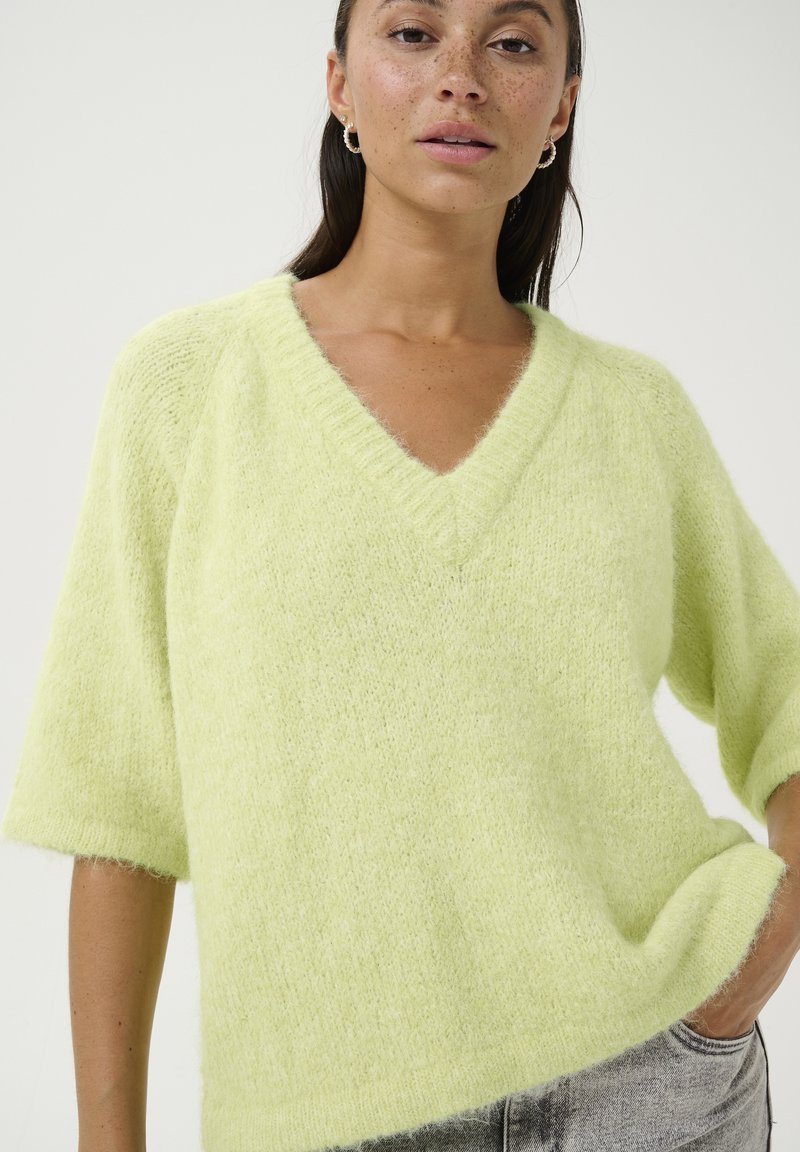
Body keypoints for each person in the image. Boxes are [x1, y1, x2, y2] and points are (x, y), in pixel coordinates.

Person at [3, 0, 800, 1150]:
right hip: (328, 1113)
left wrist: (748, 962)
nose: (460, 75)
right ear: (339, 84)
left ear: (560, 109)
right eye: (413, 32)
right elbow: (119, 804)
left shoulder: (631, 412)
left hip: (651, 1086)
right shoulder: (189, 387)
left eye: (512, 43)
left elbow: (782, 687)